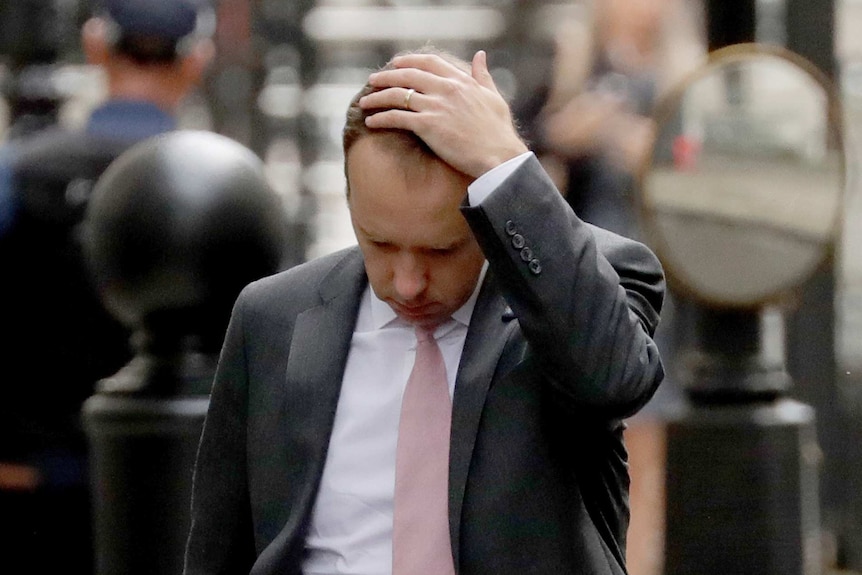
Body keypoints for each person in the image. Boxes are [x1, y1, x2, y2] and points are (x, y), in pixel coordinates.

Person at [184, 47, 664, 575]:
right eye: (380, 244)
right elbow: (219, 548)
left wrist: (507, 164)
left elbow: (615, 378)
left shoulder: (582, 284)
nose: (408, 283)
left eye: (441, 250)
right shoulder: (273, 316)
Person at [0, 0, 213, 571]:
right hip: (173, 497)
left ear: (96, 45)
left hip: (28, 492)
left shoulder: (17, 177)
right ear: (197, 59)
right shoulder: (227, 185)